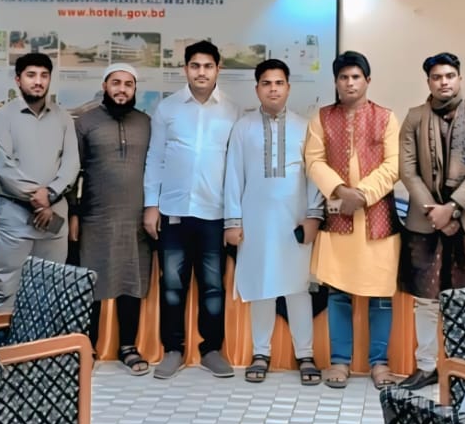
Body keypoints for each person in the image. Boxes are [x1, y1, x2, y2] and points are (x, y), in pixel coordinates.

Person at [398, 52, 465, 390]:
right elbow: (408, 171)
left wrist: (452, 209)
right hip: (426, 223)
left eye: (450, 76)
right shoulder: (414, 117)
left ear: (460, 78)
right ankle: (426, 366)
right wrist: (436, 213)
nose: (444, 82)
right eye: (437, 77)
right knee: (426, 300)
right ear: (428, 81)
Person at [304, 51, 402, 390]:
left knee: (380, 296)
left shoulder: (386, 117)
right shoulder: (322, 118)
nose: (350, 83)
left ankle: (380, 364)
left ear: (367, 80)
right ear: (335, 82)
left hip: (377, 220)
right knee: (338, 293)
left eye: (356, 77)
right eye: (343, 77)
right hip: (338, 218)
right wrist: (340, 191)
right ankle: (339, 362)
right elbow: (314, 161)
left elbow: (393, 165)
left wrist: (362, 194)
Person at [144, 40, 239, 379]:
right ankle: (173, 350)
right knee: (172, 285)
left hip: (215, 213)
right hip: (174, 211)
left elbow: (236, 169)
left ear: (218, 69)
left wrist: (234, 216)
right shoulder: (167, 109)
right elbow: (155, 158)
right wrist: (151, 205)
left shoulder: (232, 111)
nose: (201, 72)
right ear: (185, 69)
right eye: (195, 66)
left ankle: (211, 349)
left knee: (213, 287)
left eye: (208, 66)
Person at [224, 59, 323, 385]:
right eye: (266, 83)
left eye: (279, 83)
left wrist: (313, 216)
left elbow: (314, 176)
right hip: (255, 222)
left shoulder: (305, 127)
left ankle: (305, 354)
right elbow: (233, 177)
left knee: (298, 288)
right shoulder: (243, 128)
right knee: (261, 286)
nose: (273, 89)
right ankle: (261, 353)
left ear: (288, 88)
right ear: (257, 89)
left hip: (294, 222)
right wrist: (232, 222)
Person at [75, 63, 155, 374]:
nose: (122, 89)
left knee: (130, 280)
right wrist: (74, 214)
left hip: (136, 218)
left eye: (128, 84)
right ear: (104, 86)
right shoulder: (85, 122)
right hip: (96, 215)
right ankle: (88, 347)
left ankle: (128, 347)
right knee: (92, 281)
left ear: (135, 89)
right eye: (116, 83)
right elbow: (74, 172)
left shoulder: (146, 123)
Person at [0, 52, 80, 313]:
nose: (38, 81)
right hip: (14, 215)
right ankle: (2, 341)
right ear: (18, 80)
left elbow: (71, 164)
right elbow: (3, 167)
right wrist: (39, 199)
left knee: (51, 290)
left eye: (44, 75)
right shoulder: (1, 117)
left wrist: (49, 195)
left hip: (54, 216)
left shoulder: (63, 118)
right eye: (31, 75)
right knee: (6, 289)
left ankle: (44, 342)